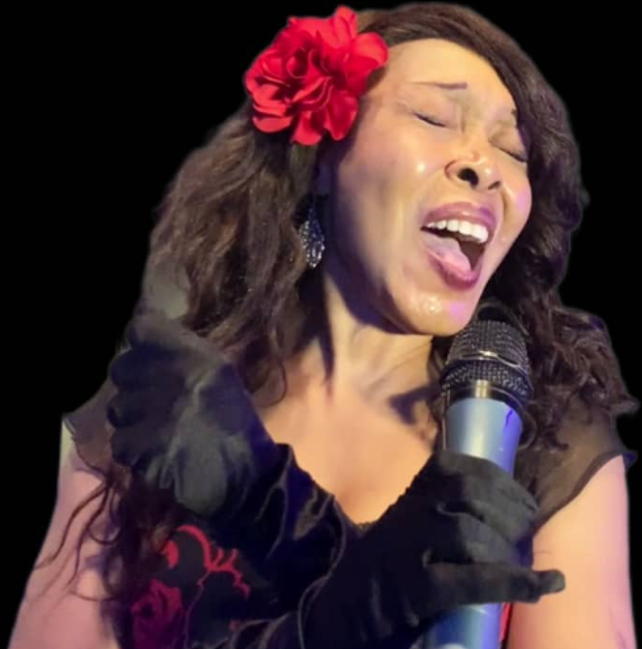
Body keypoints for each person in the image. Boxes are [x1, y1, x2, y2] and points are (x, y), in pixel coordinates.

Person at [9, 3, 638, 649]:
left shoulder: (545, 443)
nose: (487, 165)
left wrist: (273, 507)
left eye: (513, 150)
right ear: (323, 162)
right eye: (433, 117)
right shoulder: (168, 409)